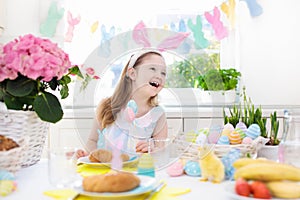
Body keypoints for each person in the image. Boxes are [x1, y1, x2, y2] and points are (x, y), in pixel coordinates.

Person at [76, 49, 168, 158]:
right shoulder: (107, 106)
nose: (159, 76)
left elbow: (161, 151)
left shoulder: (158, 114)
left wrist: (153, 149)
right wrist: (86, 154)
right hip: (107, 172)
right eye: (152, 69)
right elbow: (92, 140)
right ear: (133, 74)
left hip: (138, 172)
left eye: (163, 73)